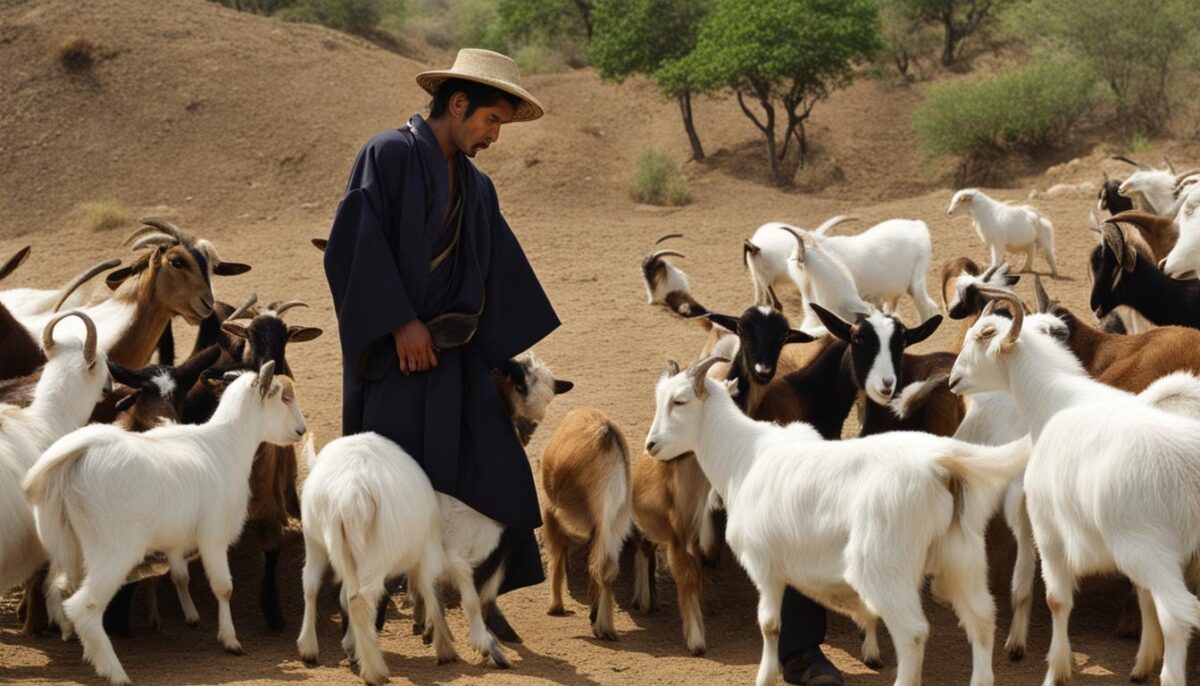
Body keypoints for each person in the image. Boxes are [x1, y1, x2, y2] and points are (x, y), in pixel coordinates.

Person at [322, 49, 559, 629]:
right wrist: (399, 322)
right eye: (491, 120)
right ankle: (365, 614)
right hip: (395, 361)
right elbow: (353, 247)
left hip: (456, 359)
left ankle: (482, 597)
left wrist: (497, 355)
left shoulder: (478, 188)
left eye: (500, 125)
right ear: (457, 104)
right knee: (384, 486)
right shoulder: (386, 154)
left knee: (497, 469)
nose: (494, 136)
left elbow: (496, 271)